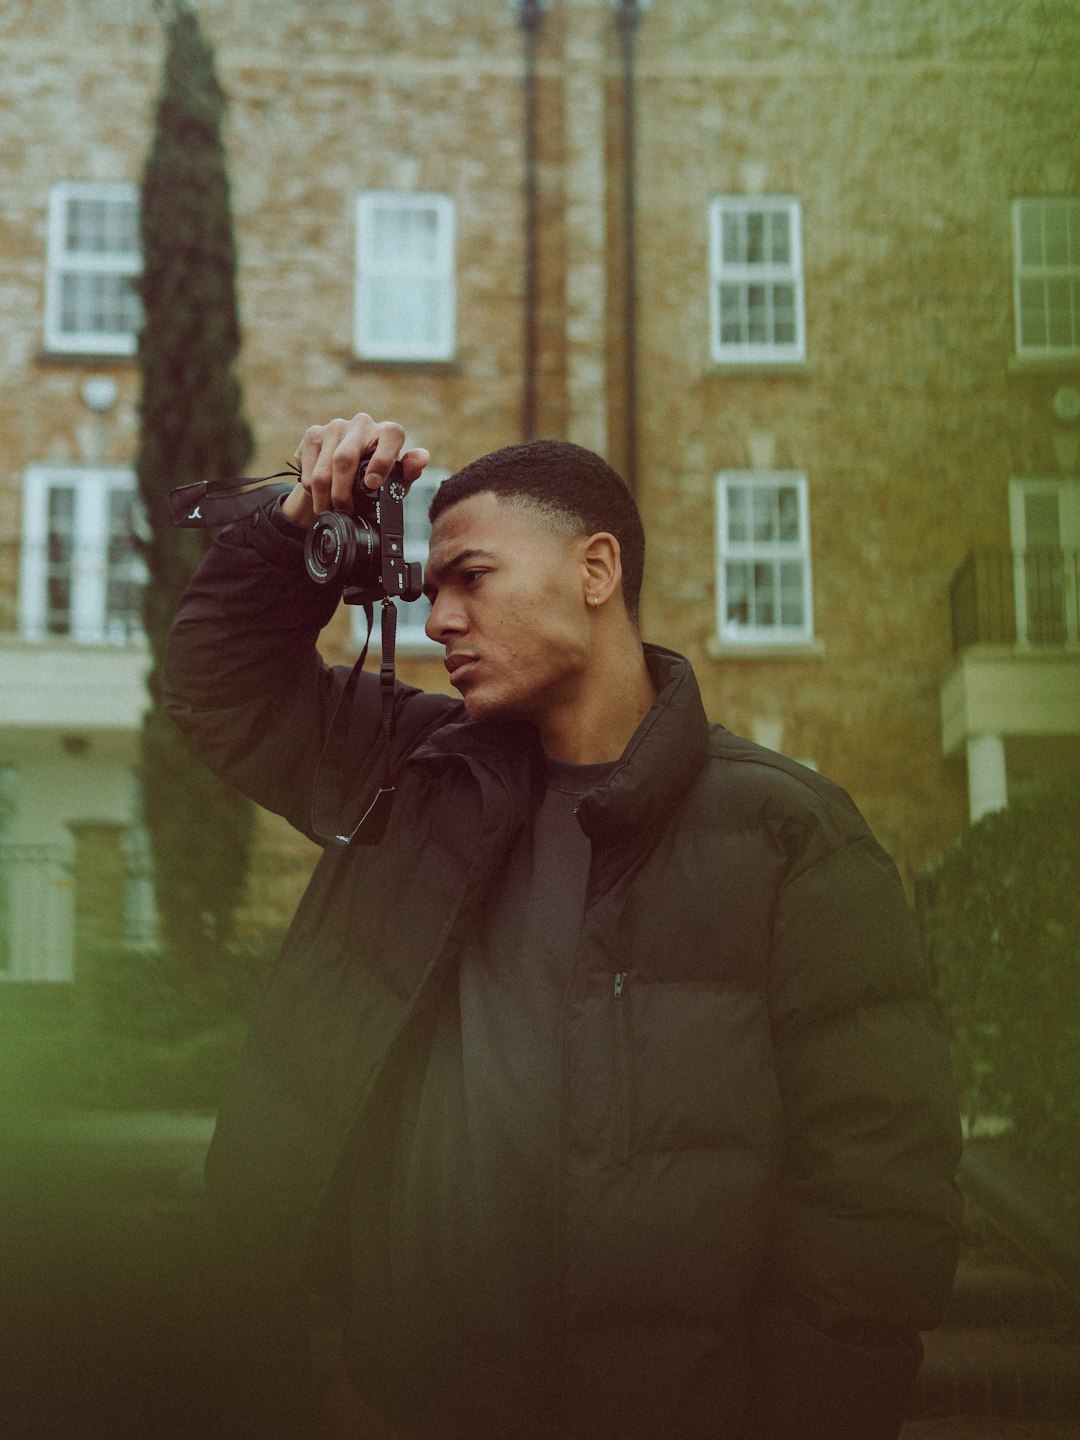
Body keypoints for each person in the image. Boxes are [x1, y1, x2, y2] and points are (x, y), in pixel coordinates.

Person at [164, 412, 962, 1440]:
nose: (439, 619)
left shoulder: (788, 836)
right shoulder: (411, 771)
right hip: (396, 1400)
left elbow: (873, 1193)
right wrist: (294, 526)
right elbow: (215, 687)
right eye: (429, 586)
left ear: (596, 571)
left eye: (473, 578)